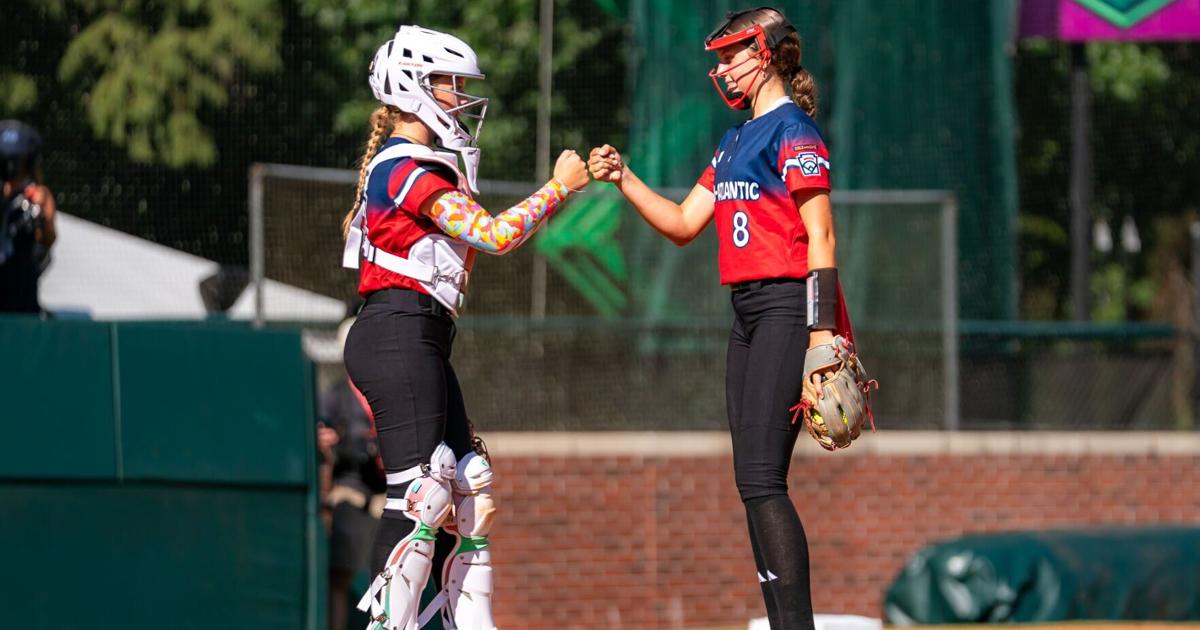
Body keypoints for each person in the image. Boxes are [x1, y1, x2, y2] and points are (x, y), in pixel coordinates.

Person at [588, 7, 853, 629]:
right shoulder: (734, 141)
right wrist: (623, 177)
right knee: (751, 481)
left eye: (732, 54)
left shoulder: (796, 132)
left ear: (766, 54)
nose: (722, 68)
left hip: (790, 307)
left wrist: (821, 339)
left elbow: (823, 237)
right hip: (747, 315)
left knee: (763, 479)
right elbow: (683, 224)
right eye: (719, 57)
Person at [339, 25, 590, 630]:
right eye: (450, 85)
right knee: (422, 494)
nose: (460, 98)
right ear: (416, 88)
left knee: (472, 487)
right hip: (397, 330)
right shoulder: (404, 169)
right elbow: (496, 235)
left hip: (420, 335)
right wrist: (559, 188)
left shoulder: (418, 166)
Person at [0, 120, 56, 315]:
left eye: (16, 162)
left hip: (21, 307)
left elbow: (47, 241)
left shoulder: (36, 197)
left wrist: (40, 213)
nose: (11, 168)